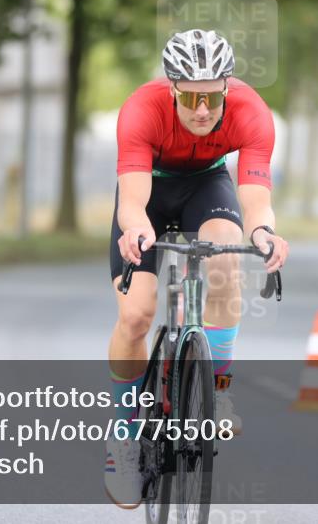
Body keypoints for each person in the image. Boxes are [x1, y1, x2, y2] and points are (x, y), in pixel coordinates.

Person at [103, 29, 289, 508]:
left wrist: (264, 233)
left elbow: (255, 197)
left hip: (207, 188)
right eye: (190, 97)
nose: (202, 109)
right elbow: (133, 198)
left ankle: (218, 388)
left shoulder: (251, 112)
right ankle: (124, 437)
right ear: (172, 89)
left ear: (227, 88)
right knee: (136, 316)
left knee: (227, 258)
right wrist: (135, 229)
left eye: (212, 96)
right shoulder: (142, 109)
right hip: (150, 193)